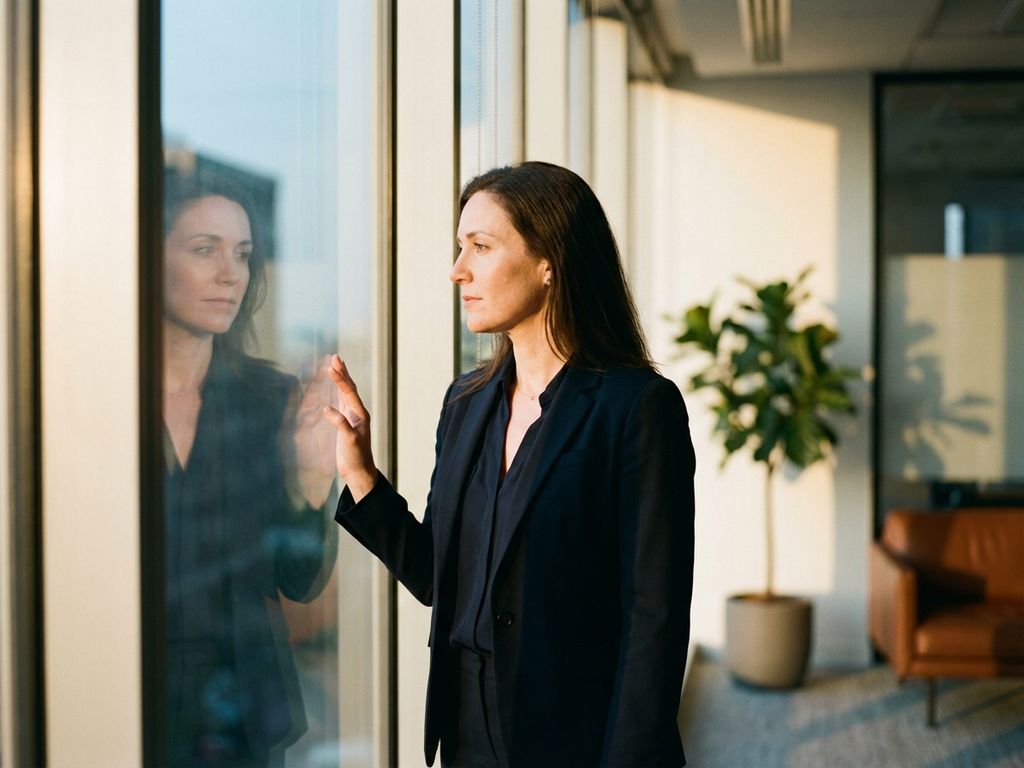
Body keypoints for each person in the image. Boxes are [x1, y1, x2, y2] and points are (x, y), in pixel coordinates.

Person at [325, 161, 696, 767]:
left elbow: (654, 619)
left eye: (481, 247)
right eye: (459, 247)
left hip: (577, 737)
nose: (457, 270)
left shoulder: (638, 409)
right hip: (466, 732)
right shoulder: (465, 403)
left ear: (549, 262)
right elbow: (444, 581)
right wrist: (362, 478)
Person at [161, 170, 338, 766]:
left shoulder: (269, 400)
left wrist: (311, 481)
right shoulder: (96, 407)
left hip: (242, 728)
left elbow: (298, 578)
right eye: (203, 250)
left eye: (241, 254)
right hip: (126, 703)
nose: (229, 273)